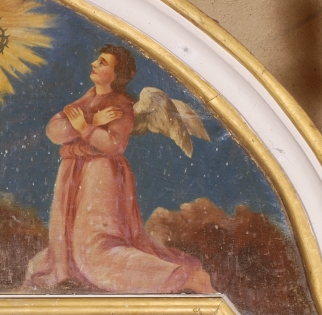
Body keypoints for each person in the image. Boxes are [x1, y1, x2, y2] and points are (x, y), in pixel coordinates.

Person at [24, 45, 214, 293]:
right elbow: (55, 131)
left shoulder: (121, 105)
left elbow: (114, 144)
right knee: (64, 252)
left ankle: (183, 278)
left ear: (116, 75)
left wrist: (84, 128)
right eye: (97, 60)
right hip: (74, 175)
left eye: (102, 63)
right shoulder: (87, 99)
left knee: (96, 250)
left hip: (100, 175)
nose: (93, 64)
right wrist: (92, 121)